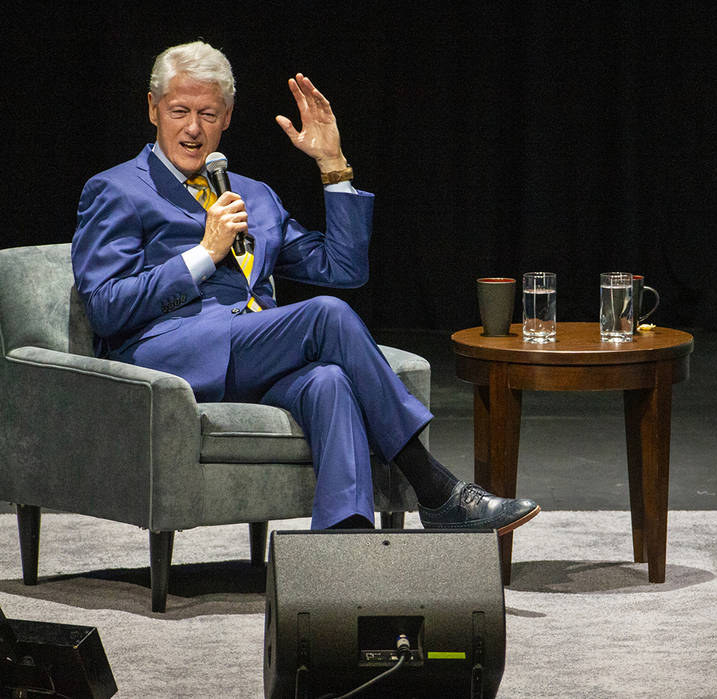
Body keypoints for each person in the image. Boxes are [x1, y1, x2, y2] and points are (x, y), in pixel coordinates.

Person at [71, 40, 540, 533]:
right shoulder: (117, 189)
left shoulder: (253, 195)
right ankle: (435, 488)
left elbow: (342, 269)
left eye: (208, 114)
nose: (193, 129)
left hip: (255, 354)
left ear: (227, 117)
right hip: (171, 357)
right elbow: (105, 307)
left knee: (329, 382)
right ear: (152, 109)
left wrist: (332, 165)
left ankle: (343, 554)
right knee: (325, 315)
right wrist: (203, 255)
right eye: (179, 111)